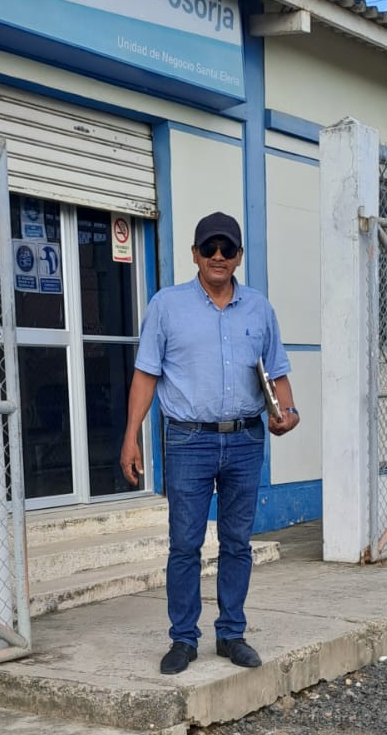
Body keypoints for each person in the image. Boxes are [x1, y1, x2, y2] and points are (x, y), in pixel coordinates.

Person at [120, 211, 299, 675]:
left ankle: (231, 634)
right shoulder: (167, 305)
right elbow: (146, 375)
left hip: (245, 439)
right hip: (188, 441)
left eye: (227, 249)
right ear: (194, 254)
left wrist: (288, 411)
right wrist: (131, 437)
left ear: (239, 256)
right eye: (209, 248)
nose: (218, 256)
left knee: (237, 542)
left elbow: (276, 370)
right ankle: (183, 639)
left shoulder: (259, 308)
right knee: (185, 544)